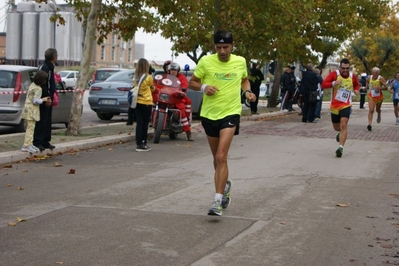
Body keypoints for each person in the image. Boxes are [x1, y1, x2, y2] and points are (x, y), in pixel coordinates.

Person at [189, 30, 256, 216]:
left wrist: (247, 92)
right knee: (216, 160)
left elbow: (244, 79)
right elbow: (191, 82)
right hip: (210, 114)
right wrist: (204, 87)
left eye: (226, 47)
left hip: (231, 112)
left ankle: (217, 201)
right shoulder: (206, 62)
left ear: (232, 45)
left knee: (221, 156)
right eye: (218, 47)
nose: (222, 51)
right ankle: (225, 184)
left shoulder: (240, 61)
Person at [321, 58, 360, 158]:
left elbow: (356, 85)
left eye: (347, 68)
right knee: (336, 127)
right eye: (343, 68)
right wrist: (334, 83)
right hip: (334, 106)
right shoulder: (335, 74)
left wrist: (356, 90)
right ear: (340, 67)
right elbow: (323, 84)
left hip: (346, 105)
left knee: (343, 124)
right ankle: (339, 133)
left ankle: (340, 148)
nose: (345, 70)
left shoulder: (352, 76)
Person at [21, 70, 51, 153]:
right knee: (31, 128)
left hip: (28, 109)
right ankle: (26, 145)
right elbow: (36, 101)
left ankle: (29, 144)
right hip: (32, 111)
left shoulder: (32, 85)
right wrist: (44, 99)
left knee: (30, 127)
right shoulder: (38, 89)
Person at [33, 48, 57, 152]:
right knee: (42, 121)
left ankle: (45, 141)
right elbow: (42, 83)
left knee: (47, 121)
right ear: (53, 57)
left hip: (48, 97)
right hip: (43, 98)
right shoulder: (45, 67)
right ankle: (38, 142)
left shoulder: (50, 67)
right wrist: (46, 97)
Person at [163, 61, 194, 141]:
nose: (173, 72)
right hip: (166, 98)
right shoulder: (165, 77)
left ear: (177, 71)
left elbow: (184, 86)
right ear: (169, 70)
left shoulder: (182, 77)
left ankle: (188, 132)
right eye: (172, 70)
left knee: (182, 111)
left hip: (177, 98)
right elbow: (159, 84)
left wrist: (182, 91)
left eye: (175, 70)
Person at [133, 58, 155, 152]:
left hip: (137, 102)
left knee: (139, 123)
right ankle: (143, 142)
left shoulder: (135, 77)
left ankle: (138, 143)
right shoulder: (149, 77)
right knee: (145, 123)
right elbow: (152, 88)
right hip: (146, 102)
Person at [366, 67, 387, 131]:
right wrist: (366, 87)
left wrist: (380, 88)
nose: (374, 74)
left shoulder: (380, 78)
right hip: (371, 96)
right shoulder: (369, 77)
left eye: (376, 73)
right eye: (373, 73)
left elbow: (386, 88)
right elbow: (367, 82)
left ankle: (379, 113)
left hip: (379, 97)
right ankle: (369, 124)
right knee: (371, 109)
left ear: (378, 73)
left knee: (377, 109)